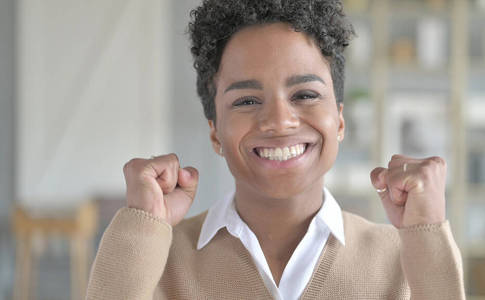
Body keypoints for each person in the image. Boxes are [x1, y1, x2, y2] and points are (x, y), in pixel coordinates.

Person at [86, 0, 465, 299]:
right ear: (215, 133)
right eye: (247, 101)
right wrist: (141, 226)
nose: (279, 121)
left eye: (305, 94)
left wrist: (426, 235)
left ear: (340, 121)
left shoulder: (403, 260)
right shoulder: (158, 260)